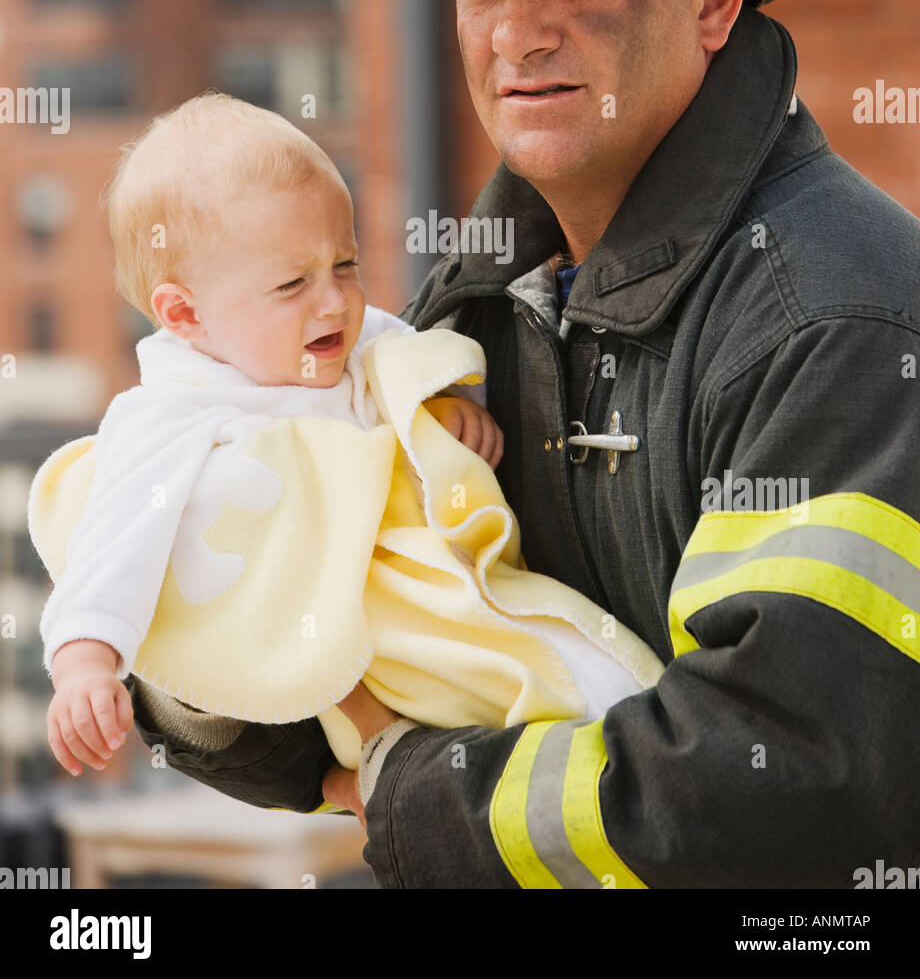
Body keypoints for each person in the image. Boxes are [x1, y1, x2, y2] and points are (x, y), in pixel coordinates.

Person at [122, 0, 920, 887]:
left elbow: (784, 779)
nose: (515, 31)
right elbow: (361, 647)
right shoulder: (478, 304)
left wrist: (415, 794)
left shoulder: (838, 323)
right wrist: (179, 609)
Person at [29, 90, 663, 790]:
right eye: (293, 282)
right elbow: (113, 543)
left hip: (435, 590)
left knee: (551, 663)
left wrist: (444, 413)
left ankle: (600, 763)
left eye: (346, 264)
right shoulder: (168, 419)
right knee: (506, 693)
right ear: (186, 314)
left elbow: (407, 373)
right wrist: (85, 663)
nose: (334, 301)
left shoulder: (354, 343)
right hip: (340, 640)